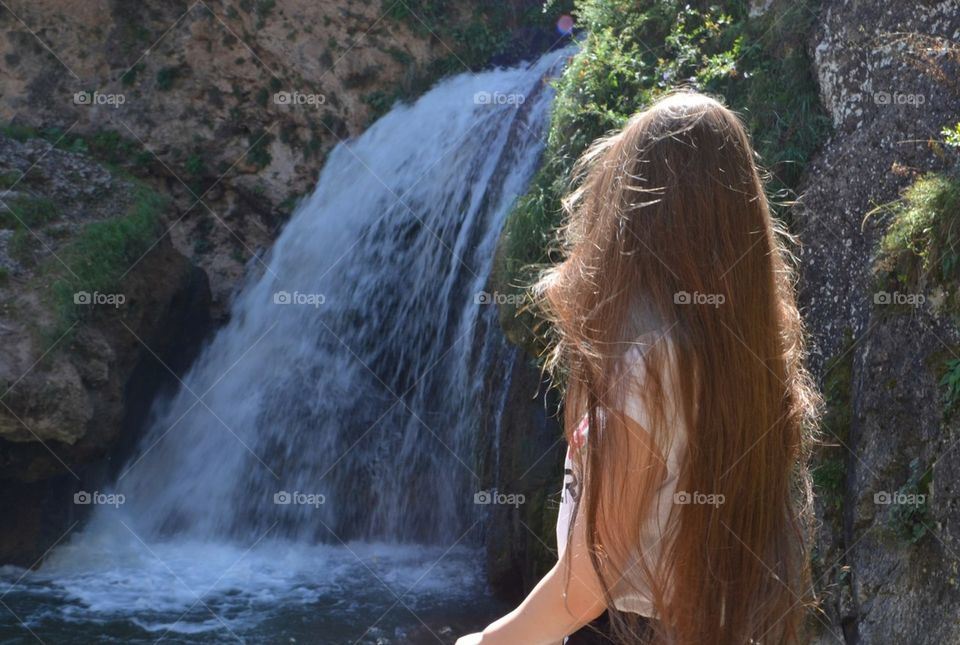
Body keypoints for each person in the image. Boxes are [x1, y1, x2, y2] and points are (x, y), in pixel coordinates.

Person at [457, 91, 820, 645]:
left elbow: (587, 583)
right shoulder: (740, 359)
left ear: (638, 222)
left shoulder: (650, 371)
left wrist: (483, 643)